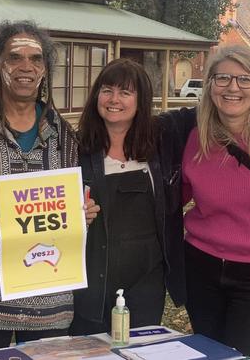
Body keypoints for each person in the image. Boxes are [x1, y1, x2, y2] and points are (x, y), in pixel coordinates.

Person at [0, 20, 99, 352]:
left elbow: (73, 201)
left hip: (49, 297)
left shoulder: (66, 137)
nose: (26, 66)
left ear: (46, 70)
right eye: (15, 57)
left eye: (36, 58)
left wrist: (81, 212)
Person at [70, 58, 189, 335]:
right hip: (91, 282)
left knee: (141, 349)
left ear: (141, 100)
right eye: (107, 90)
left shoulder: (163, 141)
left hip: (146, 280)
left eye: (125, 92)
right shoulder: (75, 149)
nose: (114, 99)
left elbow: (211, 111)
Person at [177, 45, 250, 359]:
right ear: (209, 86)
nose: (233, 87)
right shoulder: (195, 139)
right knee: (208, 353)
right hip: (201, 267)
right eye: (222, 78)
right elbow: (174, 197)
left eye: (244, 80)